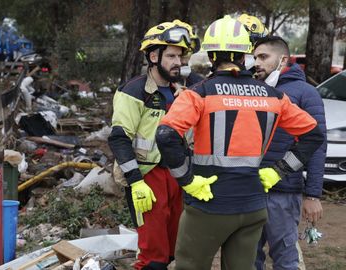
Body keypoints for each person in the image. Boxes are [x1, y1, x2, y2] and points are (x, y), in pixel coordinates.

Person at [154, 15, 325, 270]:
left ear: (211, 56)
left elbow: (166, 135)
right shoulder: (274, 95)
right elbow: (314, 135)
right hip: (253, 205)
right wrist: (278, 172)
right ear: (246, 54)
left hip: (209, 205)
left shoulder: (199, 93)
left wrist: (187, 180)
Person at [108, 20, 200, 270]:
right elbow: (119, 137)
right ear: (153, 55)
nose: (177, 62)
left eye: (180, 56)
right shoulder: (135, 91)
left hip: (179, 175)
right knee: (153, 257)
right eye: (170, 55)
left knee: (175, 251)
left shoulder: (186, 90)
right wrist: (135, 180)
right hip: (147, 178)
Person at [253, 36, 327, 270]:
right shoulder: (253, 90)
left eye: (264, 57)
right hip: (249, 190)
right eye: (255, 57)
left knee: (285, 258)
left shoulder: (306, 93)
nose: (257, 62)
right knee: (246, 258)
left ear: (283, 59)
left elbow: (317, 146)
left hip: (284, 193)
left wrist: (313, 195)